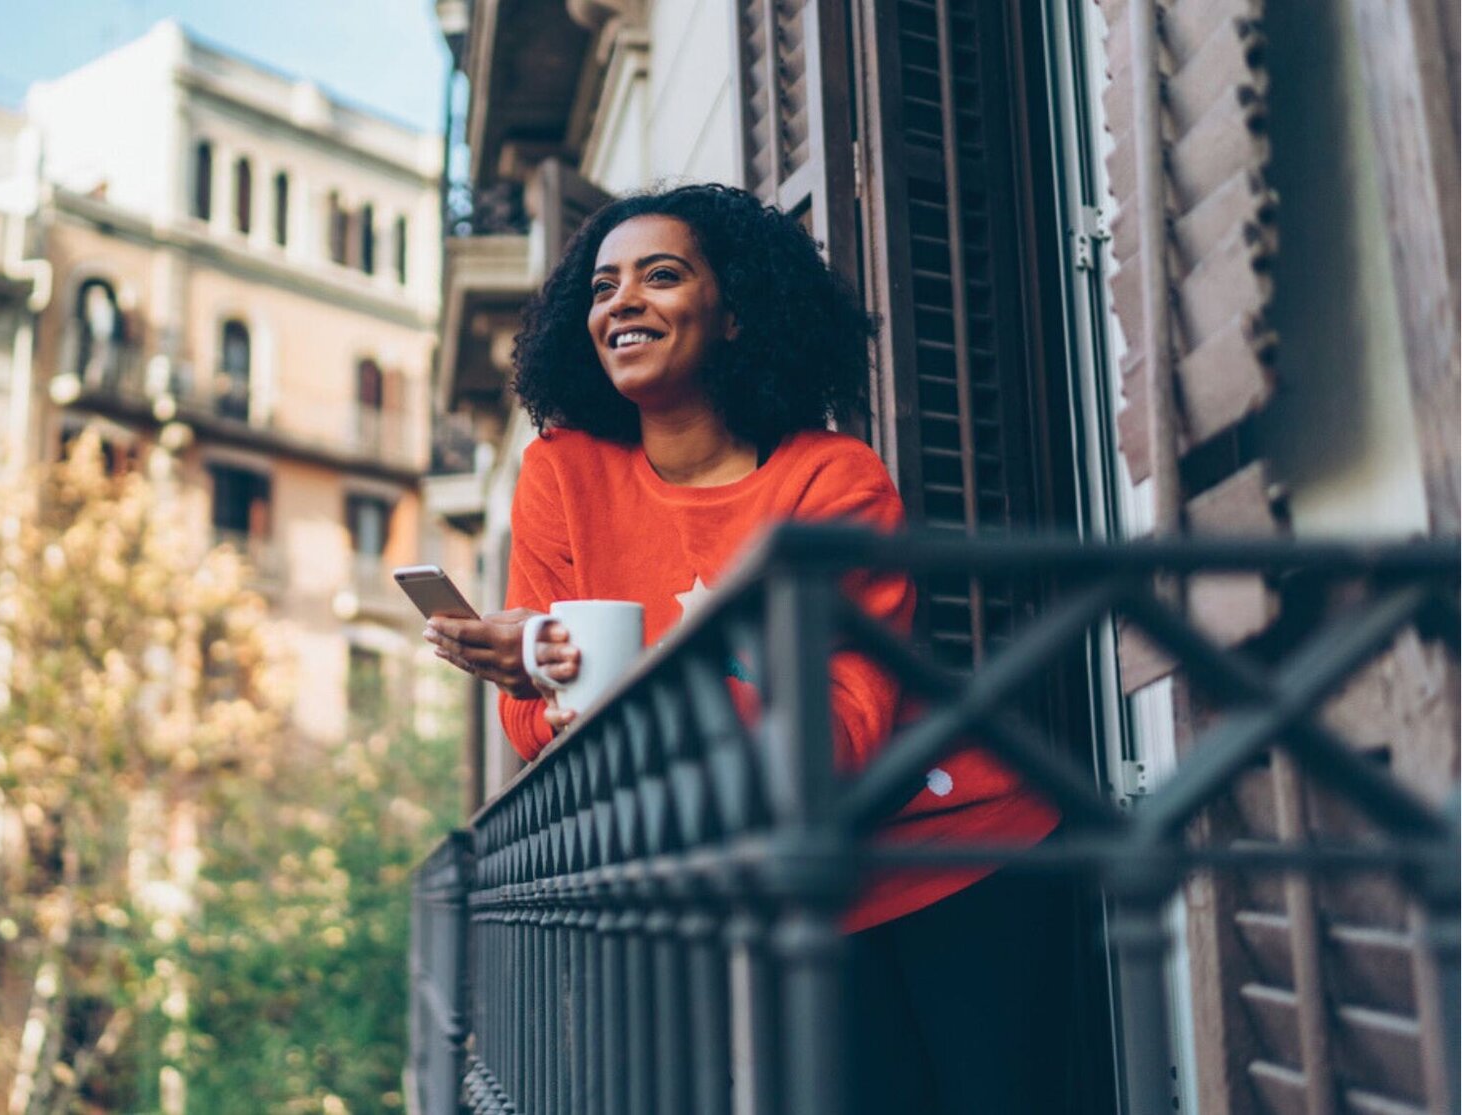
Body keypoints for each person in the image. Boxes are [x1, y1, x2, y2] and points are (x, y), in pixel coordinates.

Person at [423, 183, 1071, 1113]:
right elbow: (535, 724)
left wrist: (618, 671)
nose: (623, 302)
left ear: (733, 314)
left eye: (662, 275)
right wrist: (544, 667)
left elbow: (835, 740)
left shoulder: (833, 478)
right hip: (794, 884)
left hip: (958, 845)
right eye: (603, 287)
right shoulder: (563, 475)